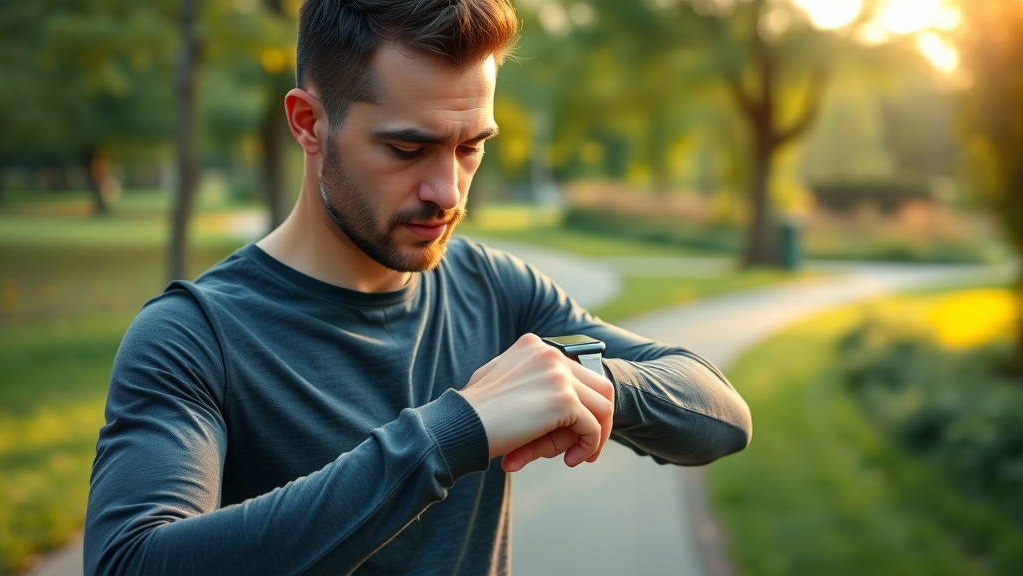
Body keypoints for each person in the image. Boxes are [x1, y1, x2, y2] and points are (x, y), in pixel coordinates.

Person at [84, 0, 752, 574]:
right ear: (308, 123)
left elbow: (721, 417)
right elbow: (132, 560)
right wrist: (452, 433)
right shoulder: (194, 338)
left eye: (470, 147)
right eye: (407, 150)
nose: (447, 192)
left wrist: (580, 376)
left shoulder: (497, 291)